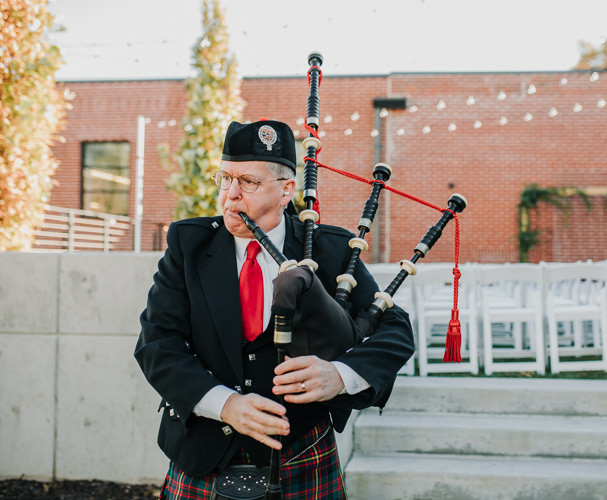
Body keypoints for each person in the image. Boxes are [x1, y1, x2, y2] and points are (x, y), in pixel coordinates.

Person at [134, 119, 415, 499]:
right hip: (201, 455)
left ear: (286, 191)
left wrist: (339, 374)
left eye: (248, 182)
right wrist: (225, 404)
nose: (231, 195)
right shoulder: (189, 245)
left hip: (302, 455)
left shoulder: (330, 250)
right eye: (226, 178)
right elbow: (156, 344)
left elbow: (395, 329)